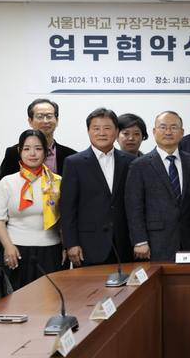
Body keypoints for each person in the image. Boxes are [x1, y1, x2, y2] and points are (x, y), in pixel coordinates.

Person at [61, 108, 136, 267]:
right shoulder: (74, 162)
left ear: (116, 132)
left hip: (125, 243)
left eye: (107, 128)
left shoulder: (130, 161)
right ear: (88, 131)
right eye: (96, 128)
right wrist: (71, 243)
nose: (102, 133)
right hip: (89, 245)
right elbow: (68, 208)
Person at [125, 111, 190, 261]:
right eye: (163, 127)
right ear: (154, 132)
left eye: (174, 128)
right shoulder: (139, 166)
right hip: (155, 242)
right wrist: (140, 240)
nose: (168, 132)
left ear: (182, 133)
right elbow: (133, 206)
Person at [0, 130, 62, 290]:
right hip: (15, 250)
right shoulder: (7, 182)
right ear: (19, 151)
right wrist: (8, 245)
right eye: (27, 148)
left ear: (45, 151)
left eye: (38, 148)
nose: (32, 153)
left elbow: (62, 219)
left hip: (50, 251)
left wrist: (65, 245)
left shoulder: (57, 182)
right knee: (13, 305)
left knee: (49, 304)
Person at [0, 99, 77, 180]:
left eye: (49, 116)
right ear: (30, 121)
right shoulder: (14, 153)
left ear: (57, 121)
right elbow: (5, 186)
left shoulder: (71, 156)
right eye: (39, 116)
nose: (45, 121)